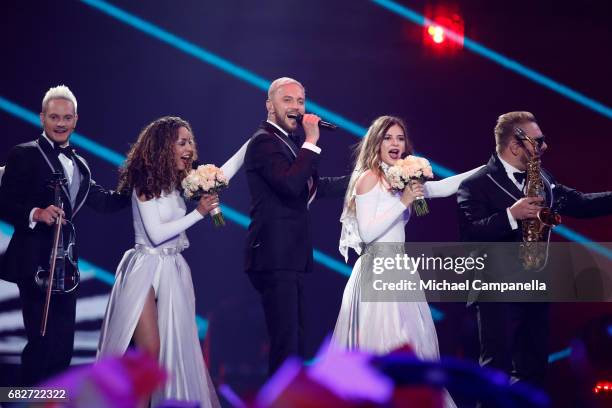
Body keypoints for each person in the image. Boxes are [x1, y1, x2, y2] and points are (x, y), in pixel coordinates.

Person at [96, 116, 248, 407]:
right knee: (150, 353)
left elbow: (221, 173)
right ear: (164, 147)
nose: (189, 148)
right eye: (182, 142)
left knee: (175, 355)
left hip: (174, 270)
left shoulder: (183, 182)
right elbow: (155, 235)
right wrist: (198, 214)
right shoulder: (145, 182)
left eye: (190, 141)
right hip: (145, 268)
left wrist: (253, 141)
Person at [457, 111, 612, 393]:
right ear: (515, 146)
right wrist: (510, 215)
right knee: (496, 369)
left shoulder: (543, 178)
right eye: (538, 141)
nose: (544, 147)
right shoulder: (475, 184)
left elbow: (581, 203)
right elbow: (470, 235)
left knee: (534, 368)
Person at [333, 115, 481, 408]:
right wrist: (404, 201)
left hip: (400, 270)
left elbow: (444, 187)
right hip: (376, 270)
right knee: (386, 344)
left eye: (400, 138)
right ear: (377, 142)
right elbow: (368, 232)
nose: (395, 144)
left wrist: (490, 167)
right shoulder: (368, 178)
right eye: (388, 138)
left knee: (414, 344)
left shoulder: (403, 177)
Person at [0, 85, 130, 385]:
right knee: (42, 343)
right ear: (42, 118)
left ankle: (52, 404)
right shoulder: (25, 154)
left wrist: (140, 188)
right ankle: (23, 403)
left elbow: (104, 201)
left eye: (67, 118)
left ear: (75, 120)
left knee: (62, 349)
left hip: (66, 268)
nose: (61, 123)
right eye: (54, 117)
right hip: (34, 263)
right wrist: (36, 213)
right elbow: (5, 201)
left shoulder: (80, 165)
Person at [244, 77, 349, 375]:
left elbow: (314, 186)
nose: (296, 107)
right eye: (287, 100)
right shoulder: (263, 142)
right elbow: (291, 185)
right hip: (274, 256)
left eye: (300, 101)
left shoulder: (285, 145)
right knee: (286, 345)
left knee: (296, 343)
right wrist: (311, 141)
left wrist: (364, 178)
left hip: (290, 258)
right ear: (269, 105)